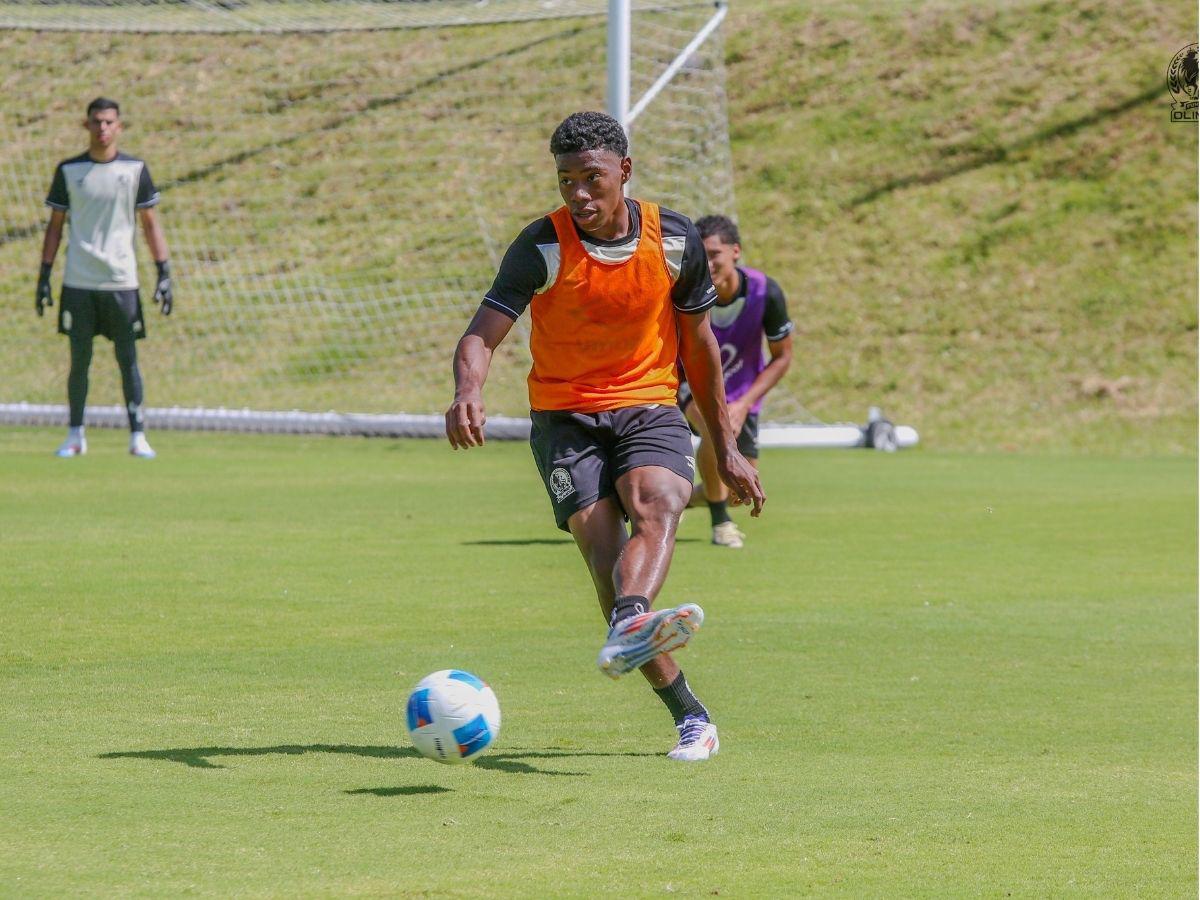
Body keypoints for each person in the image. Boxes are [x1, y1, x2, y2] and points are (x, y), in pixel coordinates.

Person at [445, 111, 764, 762]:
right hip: (563, 415)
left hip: (648, 402)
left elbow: (699, 347)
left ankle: (632, 622)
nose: (579, 196)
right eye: (566, 182)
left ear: (625, 171)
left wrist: (725, 444)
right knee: (604, 558)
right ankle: (689, 711)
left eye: (592, 179)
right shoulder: (541, 246)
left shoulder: (674, 241)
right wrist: (467, 391)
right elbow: (481, 334)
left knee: (660, 502)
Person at [38, 97, 173, 459]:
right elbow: (55, 227)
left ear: (119, 126)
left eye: (109, 122)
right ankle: (75, 435)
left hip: (121, 281)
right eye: (97, 122)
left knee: (127, 360)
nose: (103, 128)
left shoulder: (134, 170)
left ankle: (138, 436)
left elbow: (150, 225)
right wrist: (44, 274)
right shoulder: (69, 170)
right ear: (86, 126)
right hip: (79, 282)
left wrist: (164, 272)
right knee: (78, 360)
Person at [679, 215, 793, 549]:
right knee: (717, 431)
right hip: (690, 385)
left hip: (742, 396)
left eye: (714, 253)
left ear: (736, 252)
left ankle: (679, 499)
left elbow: (782, 357)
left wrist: (744, 403)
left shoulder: (764, 292)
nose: (707, 261)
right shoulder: (686, 293)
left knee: (739, 491)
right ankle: (721, 525)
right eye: (701, 254)